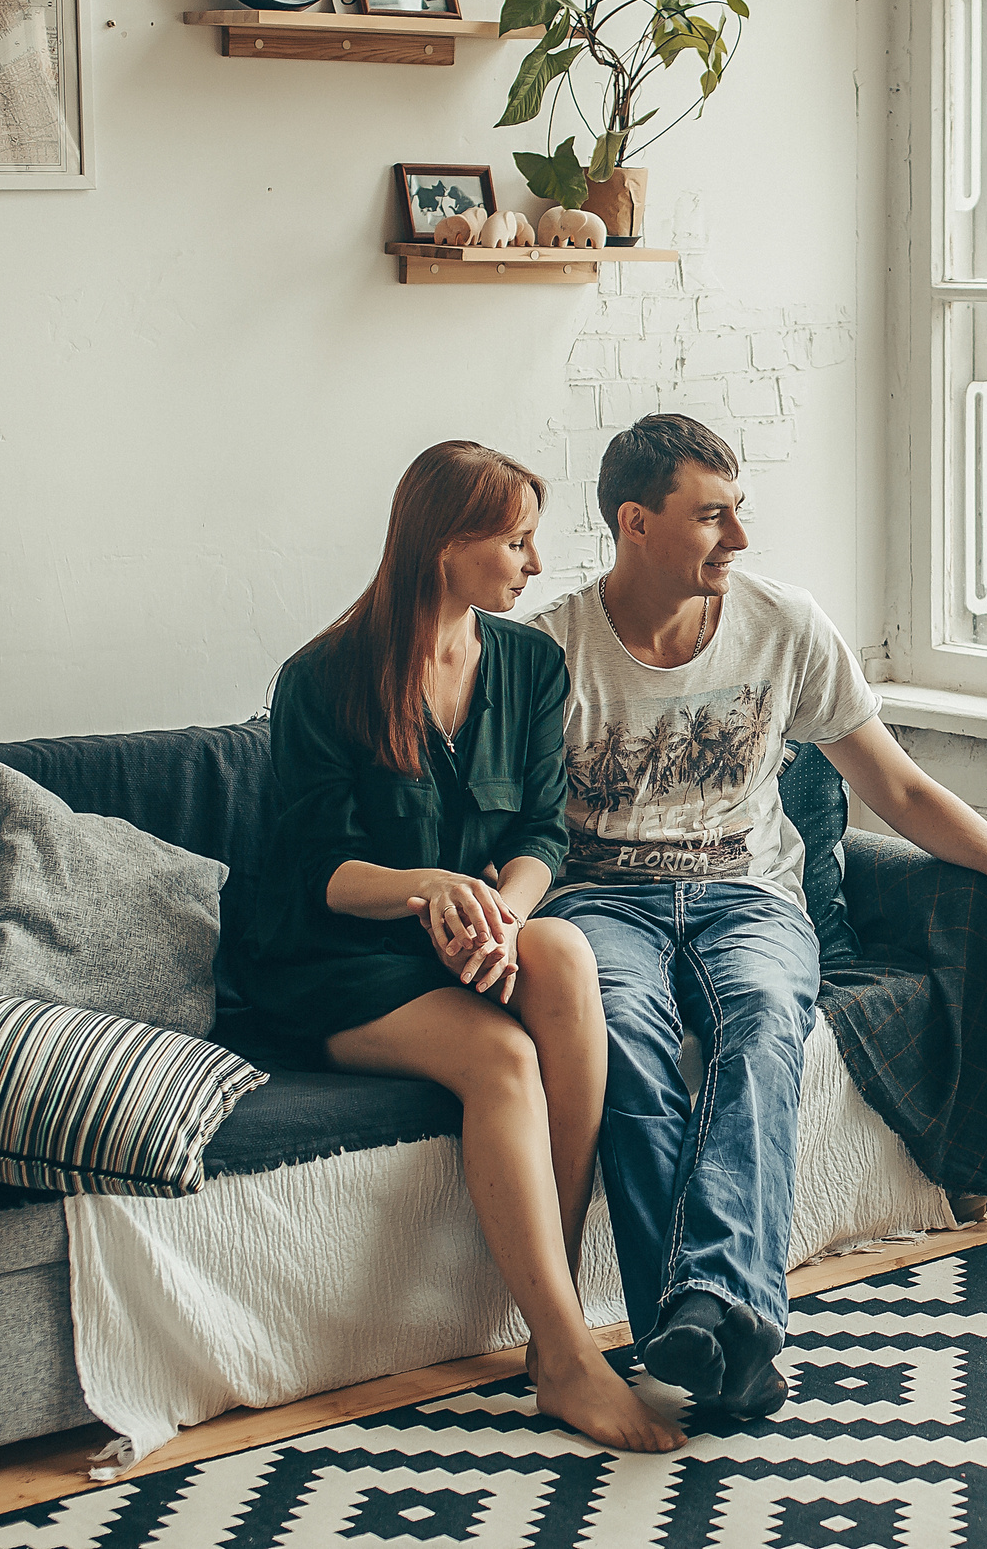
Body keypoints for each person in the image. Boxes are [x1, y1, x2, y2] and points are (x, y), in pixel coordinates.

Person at [529, 413, 987, 1418]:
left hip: (748, 897)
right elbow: (512, 830)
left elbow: (902, 789)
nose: (739, 537)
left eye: (738, 510)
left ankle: (699, 1316)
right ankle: (726, 1328)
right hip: (600, 904)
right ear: (635, 523)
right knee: (625, 1037)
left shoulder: (783, 625)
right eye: (712, 517)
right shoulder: (549, 652)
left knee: (763, 1029)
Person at [245, 440, 684, 1453]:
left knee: (565, 953)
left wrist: (504, 917)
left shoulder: (529, 664)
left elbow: (540, 834)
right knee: (503, 1056)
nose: (535, 563)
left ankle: (550, 1305)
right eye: (516, 541)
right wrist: (433, 890)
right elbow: (323, 872)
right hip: (337, 959)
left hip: (471, 933)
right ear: (445, 542)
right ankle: (567, 1352)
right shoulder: (321, 679)